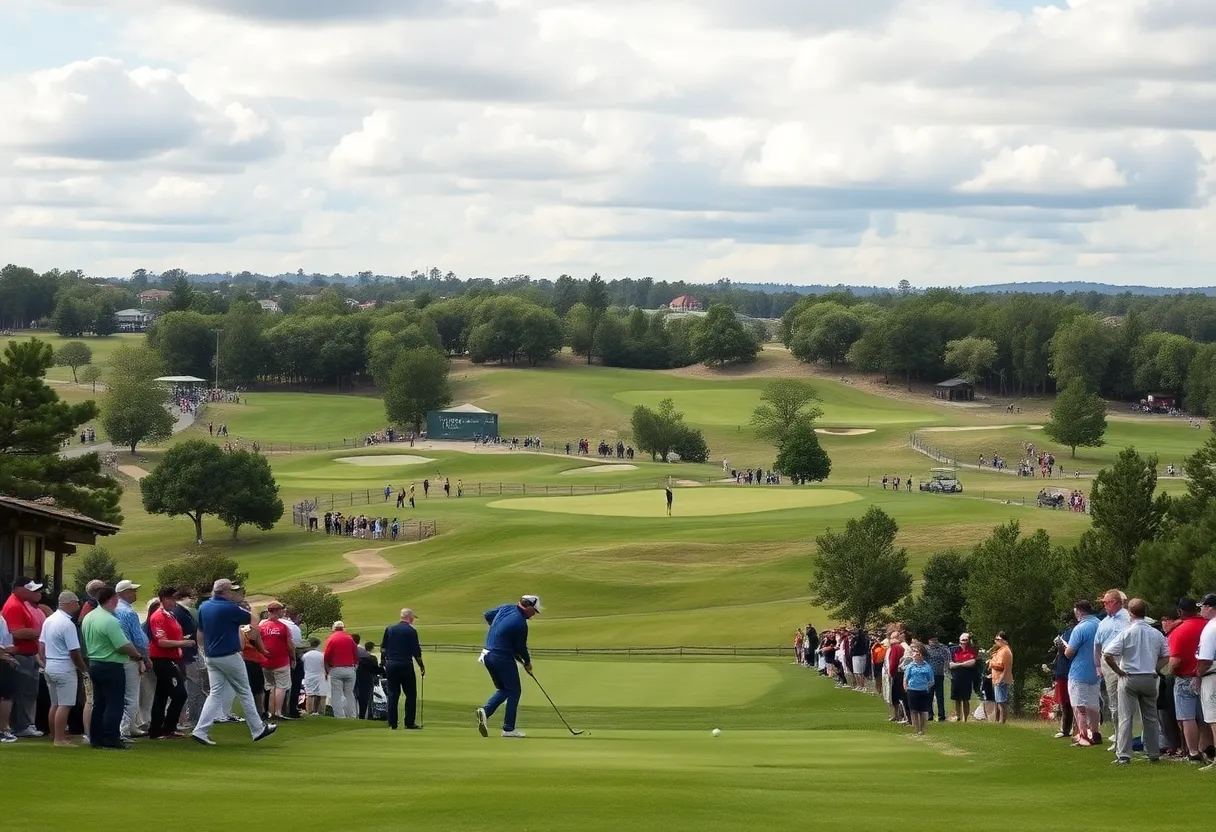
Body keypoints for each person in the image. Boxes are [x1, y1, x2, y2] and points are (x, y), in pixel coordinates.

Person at [191, 579, 277, 746]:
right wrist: (246, 611)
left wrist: (203, 651)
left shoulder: (204, 607)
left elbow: (200, 634)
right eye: (231, 591)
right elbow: (252, 620)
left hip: (211, 656)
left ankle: (200, 730)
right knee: (245, 691)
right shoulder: (229, 608)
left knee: (215, 693)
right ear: (225, 592)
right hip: (228, 655)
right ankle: (257, 729)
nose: (233, 593)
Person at [1102, 598, 1169, 765]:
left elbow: (1108, 654)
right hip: (1149, 677)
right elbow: (1166, 655)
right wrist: (1155, 668)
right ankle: (1154, 753)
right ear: (1145, 613)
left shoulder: (1127, 632)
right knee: (1151, 717)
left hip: (1129, 677)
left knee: (1126, 716)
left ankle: (1124, 754)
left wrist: (1118, 671)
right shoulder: (1156, 633)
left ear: (1130, 614)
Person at [81, 586, 143, 750]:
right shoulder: (110, 620)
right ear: (112, 599)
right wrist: (137, 655)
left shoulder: (89, 617)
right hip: (111, 664)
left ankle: (96, 737)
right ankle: (111, 738)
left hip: (94, 662)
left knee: (99, 703)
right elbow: (122, 645)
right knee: (115, 703)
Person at [476, 595, 540, 739]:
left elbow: (488, 615)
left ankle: (485, 712)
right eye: (534, 611)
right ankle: (508, 729)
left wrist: (498, 631)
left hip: (487, 654)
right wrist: (527, 663)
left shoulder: (506, 607)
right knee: (515, 691)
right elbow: (521, 648)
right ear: (528, 607)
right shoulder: (521, 624)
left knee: (505, 689)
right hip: (501, 657)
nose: (534, 614)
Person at [38, 590, 87, 747]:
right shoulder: (67, 624)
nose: (78, 606)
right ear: (69, 603)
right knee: (65, 704)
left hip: (50, 665)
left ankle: (55, 734)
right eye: (76, 602)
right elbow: (74, 651)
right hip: (64, 666)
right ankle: (59, 739)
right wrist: (83, 668)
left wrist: (46, 661)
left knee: (55, 703)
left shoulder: (49, 620)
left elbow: (41, 645)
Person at [1, 577, 47, 739]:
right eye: (30, 589)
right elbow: (16, 632)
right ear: (19, 589)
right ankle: (21, 726)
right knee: (22, 692)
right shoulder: (14, 605)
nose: (33, 592)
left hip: (26, 654)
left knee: (28, 692)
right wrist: (38, 632)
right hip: (19, 654)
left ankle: (26, 724)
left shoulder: (21, 604)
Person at [1168, 597, 1211, 762]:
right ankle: (1206, 748)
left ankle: (1193, 752)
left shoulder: (1180, 631)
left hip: (1185, 677)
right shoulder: (1207, 625)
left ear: (1180, 612)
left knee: (1187, 717)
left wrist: (1165, 673)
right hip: (1205, 675)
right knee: (1206, 716)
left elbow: (1175, 660)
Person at [146, 586, 192, 739]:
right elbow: (161, 642)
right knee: (179, 694)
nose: (174, 602)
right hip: (162, 659)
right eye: (172, 599)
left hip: (169, 658)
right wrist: (182, 643)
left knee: (162, 695)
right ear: (164, 599)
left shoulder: (169, 615)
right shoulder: (158, 616)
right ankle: (167, 727)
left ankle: (157, 729)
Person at [1062, 599, 1102, 747]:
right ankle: (1095, 733)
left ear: (1078, 611)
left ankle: (1083, 735)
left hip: (1079, 671)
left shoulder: (1080, 628)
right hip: (1096, 670)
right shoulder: (1100, 624)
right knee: (1093, 705)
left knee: (1079, 706)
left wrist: (1063, 649)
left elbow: (1069, 652)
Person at [113, 579, 150, 740]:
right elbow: (139, 640)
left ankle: (131, 726)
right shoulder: (128, 612)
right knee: (131, 696)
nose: (135, 593)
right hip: (130, 657)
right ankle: (125, 729)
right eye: (131, 591)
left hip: (115, 657)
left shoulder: (112, 609)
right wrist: (145, 658)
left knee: (120, 694)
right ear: (122, 593)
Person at [381, 608, 425, 730]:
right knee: (411, 694)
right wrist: (421, 666)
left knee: (393, 693)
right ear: (409, 617)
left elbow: (383, 648)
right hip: (405, 664)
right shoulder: (411, 631)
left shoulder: (389, 629)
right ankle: (409, 722)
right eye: (413, 618)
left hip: (391, 665)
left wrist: (383, 663)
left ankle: (392, 723)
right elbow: (416, 651)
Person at [258, 602, 295, 720]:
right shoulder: (283, 627)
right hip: (281, 661)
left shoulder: (262, 627)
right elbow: (290, 646)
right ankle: (278, 711)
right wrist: (293, 658)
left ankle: (269, 711)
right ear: (277, 611)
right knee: (281, 686)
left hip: (265, 661)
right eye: (281, 610)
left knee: (270, 687)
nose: (282, 612)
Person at [323, 621, 359, 719]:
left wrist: (327, 670)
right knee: (349, 694)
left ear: (333, 629)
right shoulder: (349, 638)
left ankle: (340, 716)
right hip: (350, 668)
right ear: (343, 628)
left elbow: (326, 656)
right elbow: (356, 654)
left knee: (337, 694)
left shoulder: (331, 639)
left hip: (336, 669)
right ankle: (351, 715)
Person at [903, 645, 934, 736]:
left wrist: (927, 687)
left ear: (921, 655)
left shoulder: (927, 666)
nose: (915, 655)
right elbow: (906, 678)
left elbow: (931, 680)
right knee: (914, 710)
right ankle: (916, 729)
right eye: (914, 653)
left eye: (917, 653)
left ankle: (922, 729)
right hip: (912, 690)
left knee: (923, 711)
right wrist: (906, 687)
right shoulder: (910, 666)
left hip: (923, 690)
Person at [925, 636, 951, 722]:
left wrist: (946, 669)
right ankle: (929, 714)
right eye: (931, 640)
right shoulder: (926, 649)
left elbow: (947, 659)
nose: (932, 642)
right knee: (929, 695)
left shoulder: (942, 648)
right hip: (929, 675)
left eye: (934, 640)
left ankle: (941, 715)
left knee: (940, 696)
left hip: (939, 674)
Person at [989, 632, 1013, 725]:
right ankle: (999, 720)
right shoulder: (1000, 650)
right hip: (997, 678)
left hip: (1001, 678)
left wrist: (992, 664)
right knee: (999, 701)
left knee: (1001, 701)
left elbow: (1002, 667)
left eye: (998, 639)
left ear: (1004, 640)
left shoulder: (1005, 651)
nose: (996, 641)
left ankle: (1002, 721)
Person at [301, 638, 327, 715]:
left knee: (310, 694)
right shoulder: (322, 655)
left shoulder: (306, 655)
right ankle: (319, 711)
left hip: (309, 675)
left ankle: (309, 711)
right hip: (320, 675)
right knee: (321, 695)